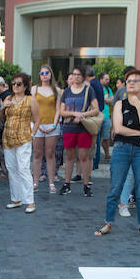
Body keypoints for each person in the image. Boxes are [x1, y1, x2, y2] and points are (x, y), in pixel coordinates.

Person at [94, 68, 140, 241]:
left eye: (135, 81)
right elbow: (119, 129)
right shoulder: (119, 104)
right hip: (122, 149)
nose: (131, 83)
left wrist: (138, 106)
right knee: (115, 187)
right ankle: (108, 223)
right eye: (129, 81)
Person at [1, 72, 40, 213]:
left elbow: (37, 119)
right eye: (13, 83)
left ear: (25, 86)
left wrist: (33, 134)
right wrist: (3, 106)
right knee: (11, 169)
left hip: (23, 137)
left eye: (19, 84)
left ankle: (30, 201)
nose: (15, 86)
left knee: (23, 168)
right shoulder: (8, 98)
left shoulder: (31, 100)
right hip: (8, 137)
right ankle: (16, 199)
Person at [58, 65, 100, 196]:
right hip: (69, 127)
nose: (76, 77)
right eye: (74, 74)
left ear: (83, 76)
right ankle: (67, 184)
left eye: (78, 75)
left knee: (84, 157)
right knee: (69, 157)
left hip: (83, 128)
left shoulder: (89, 90)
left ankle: (86, 185)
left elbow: (96, 109)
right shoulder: (67, 91)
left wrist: (83, 115)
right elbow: (62, 111)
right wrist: (75, 113)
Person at [31, 64, 60, 193]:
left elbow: (58, 109)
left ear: (51, 74)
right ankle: (35, 182)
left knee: (50, 154)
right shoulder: (34, 89)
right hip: (37, 124)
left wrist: (54, 124)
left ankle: (51, 182)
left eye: (46, 73)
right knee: (37, 154)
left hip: (52, 124)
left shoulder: (57, 90)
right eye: (42, 73)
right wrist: (37, 124)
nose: (44, 75)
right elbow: (32, 108)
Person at [86, 66, 106, 170]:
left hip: (94, 115)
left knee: (94, 140)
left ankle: (94, 162)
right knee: (96, 138)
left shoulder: (91, 84)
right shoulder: (97, 83)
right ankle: (95, 161)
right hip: (99, 113)